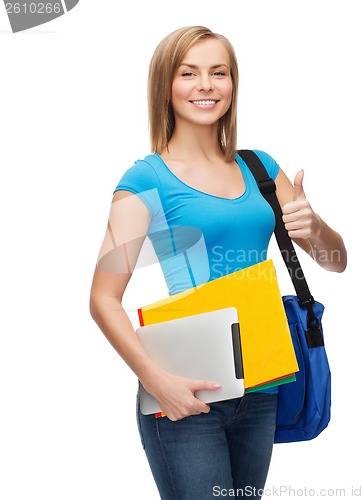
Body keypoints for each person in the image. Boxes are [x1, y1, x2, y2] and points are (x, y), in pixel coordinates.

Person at [89, 26, 347, 500]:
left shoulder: (261, 168)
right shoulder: (145, 178)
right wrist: (157, 382)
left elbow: (335, 262)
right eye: (188, 73)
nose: (205, 85)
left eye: (218, 73)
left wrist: (315, 229)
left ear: (233, 85)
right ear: (165, 86)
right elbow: (102, 299)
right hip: (187, 393)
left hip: (264, 384)